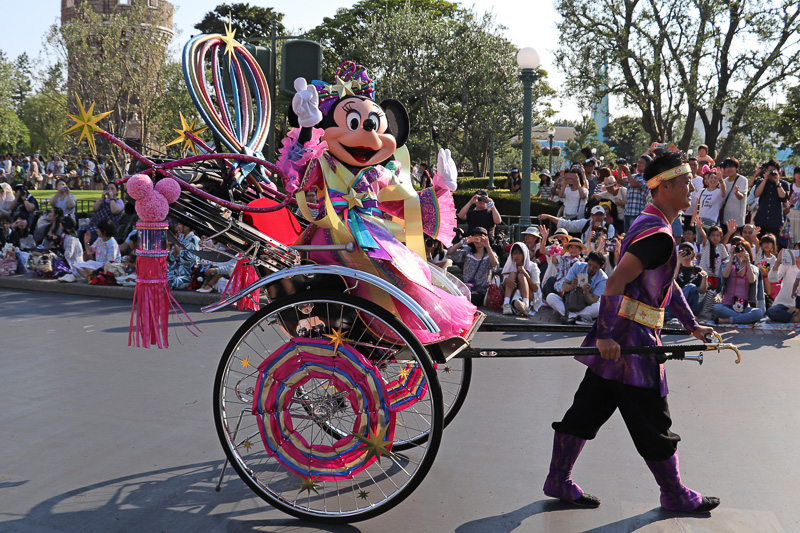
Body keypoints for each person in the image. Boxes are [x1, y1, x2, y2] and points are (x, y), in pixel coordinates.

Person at [542, 151, 718, 513]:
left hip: (623, 341)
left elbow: (663, 287)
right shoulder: (658, 235)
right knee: (655, 423)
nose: (692, 188)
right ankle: (673, 493)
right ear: (665, 186)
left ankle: (558, 478)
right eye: (686, 182)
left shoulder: (652, 223)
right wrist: (605, 335)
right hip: (631, 345)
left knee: (587, 408)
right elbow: (616, 282)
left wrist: (693, 326)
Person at [545, 250, 607, 325]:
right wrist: (572, 286)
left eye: (595, 267)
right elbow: (564, 287)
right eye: (589, 265)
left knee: (598, 307)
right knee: (550, 297)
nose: (591, 268)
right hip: (570, 302)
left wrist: (586, 293)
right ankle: (577, 317)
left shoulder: (603, 278)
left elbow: (593, 300)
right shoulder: (578, 266)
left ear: (601, 267)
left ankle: (568, 315)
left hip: (586, 305)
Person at [712, 241, 765, 324]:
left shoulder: (753, 268)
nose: (740, 253)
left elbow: (752, 280)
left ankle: (728, 320)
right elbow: (725, 275)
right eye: (738, 250)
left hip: (744, 306)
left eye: (743, 250)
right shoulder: (728, 264)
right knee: (716, 308)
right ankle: (744, 319)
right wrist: (732, 256)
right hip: (727, 305)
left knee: (759, 312)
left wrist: (747, 262)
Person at [446, 226, 498, 306]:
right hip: (466, 289)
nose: (478, 240)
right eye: (475, 237)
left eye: (480, 237)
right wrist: (461, 243)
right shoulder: (467, 253)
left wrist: (488, 246)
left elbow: (495, 266)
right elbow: (449, 254)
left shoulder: (490, 255)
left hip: (481, 292)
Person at [665, 243, 707, 325]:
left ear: (693, 253)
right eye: (683, 251)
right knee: (678, 290)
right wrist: (678, 262)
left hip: (692, 306)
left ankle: (675, 315)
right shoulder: (675, 268)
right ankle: (680, 315)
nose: (686, 253)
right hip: (676, 304)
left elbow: (702, 291)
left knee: (691, 287)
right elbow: (671, 282)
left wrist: (704, 278)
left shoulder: (698, 269)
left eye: (688, 250)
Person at [538, 205, 616, 248]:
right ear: (592, 216)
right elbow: (567, 224)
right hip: (584, 252)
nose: (599, 217)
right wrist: (548, 216)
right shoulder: (585, 223)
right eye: (596, 215)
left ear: (604, 216)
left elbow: (609, 245)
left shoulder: (610, 227)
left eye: (601, 215)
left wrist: (598, 230)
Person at [752, 160, 790, 241]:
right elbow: (757, 194)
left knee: (773, 244)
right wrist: (765, 179)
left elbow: (783, 197)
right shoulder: (761, 181)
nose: (771, 173)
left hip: (775, 220)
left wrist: (777, 182)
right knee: (758, 242)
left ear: (778, 171)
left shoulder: (784, 184)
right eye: (769, 170)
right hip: (761, 219)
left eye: (773, 170)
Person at [501, 242, 541, 316]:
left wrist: (525, 273)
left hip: (530, 295)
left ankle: (525, 304)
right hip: (513, 292)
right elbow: (503, 287)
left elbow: (536, 289)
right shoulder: (510, 265)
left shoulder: (533, 266)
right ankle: (506, 304)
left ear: (525, 254)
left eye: (519, 253)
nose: (516, 256)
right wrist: (506, 280)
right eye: (514, 253)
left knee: (521, 275)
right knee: (512, 274)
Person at [79, 182, 124, 248]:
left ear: (117, 191)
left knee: (91, 236)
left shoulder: (119, 201)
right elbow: (94, 207)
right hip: (93, 225)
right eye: (108, 189)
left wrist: (111, 199)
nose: (110, 190)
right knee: (79, 234)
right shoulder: (103, 200)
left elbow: (115, 211)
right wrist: (102, 197)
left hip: (106, 228)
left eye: (112, 189)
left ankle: (91, 254)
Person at [767, 245, 800, 323]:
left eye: (798, 251)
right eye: (794, 251)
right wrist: (778, 262)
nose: (796, 254)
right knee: (772, 311)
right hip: (784, 305)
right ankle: (795, 319)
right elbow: (772, 279)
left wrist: (798, 307)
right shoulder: (787, 265)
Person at [621, 155, 651, 232]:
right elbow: (620, 181)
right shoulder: (633, 176)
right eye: (638, 162)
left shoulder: (647, 178)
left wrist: (627, 171)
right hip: (627, 212)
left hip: (638, 213)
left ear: (647, 166)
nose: (638, 164)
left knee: (635, 236)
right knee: (626, 237)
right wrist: (620, 168)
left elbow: (634, 184)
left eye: (641, 163)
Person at [720, 158, 748, 230]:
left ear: (737, 168)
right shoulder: (724, 181)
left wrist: (736, 192)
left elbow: (741, 196)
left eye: (731, 166)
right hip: (724, 218)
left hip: (737, 220)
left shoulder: (742, 180)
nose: (729, 169)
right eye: (726, 167)